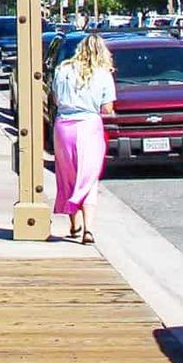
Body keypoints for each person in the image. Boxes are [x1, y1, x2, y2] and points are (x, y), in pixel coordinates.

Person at [52, 33, 116, 244]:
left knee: (68, 175)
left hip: (63, 125)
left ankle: (74, 223)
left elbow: (55, 99)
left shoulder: (62, 70)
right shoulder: (103, 74)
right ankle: (88, 229)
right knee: (88, 177)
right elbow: (107, 108)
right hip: (89, 125)